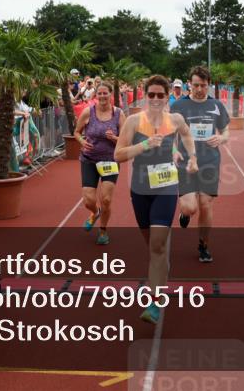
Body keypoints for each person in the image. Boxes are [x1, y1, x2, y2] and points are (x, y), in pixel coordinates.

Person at [114, 74, 198, 324]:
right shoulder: (133, 121)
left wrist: (192, 156)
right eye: (151, 94)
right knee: (152, 246)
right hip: (140, 189)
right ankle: (161, 268)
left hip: (166, 186)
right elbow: (118, 154)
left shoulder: (175, 119)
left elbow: (187, 135)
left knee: (158, 246)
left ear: (167, 96)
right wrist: (144, 145)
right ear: (145, 95)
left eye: (161, 95)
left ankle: (154, 302)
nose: (156, 99)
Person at [172, 66, 230, 263]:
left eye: (203, 85)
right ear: (189, 84)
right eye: (195, 85)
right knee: (190, 208)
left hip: (210, 161)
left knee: (206, 204)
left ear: (209, 85)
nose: (199, 89)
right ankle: (185, 214)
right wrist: (174, 150)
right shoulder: (179, 105)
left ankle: (203, 245)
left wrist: (221, 138)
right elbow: (169, 133)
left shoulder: (216, 105)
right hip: (186, 163)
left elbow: (226, 131)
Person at [74, 81, 125, 245]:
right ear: (96, 95)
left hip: (110, 160)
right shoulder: (88, 112)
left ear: (111, 95)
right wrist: (82, 142)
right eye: (100, 93)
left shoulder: (118, 114)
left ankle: (103, 230)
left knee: (106, 199)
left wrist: (114, 138)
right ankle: (95, 212)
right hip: (89, 159)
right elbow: (76, 132)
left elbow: (126, 140)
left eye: (105, 93)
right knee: (88, 200)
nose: (102, 96)